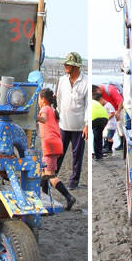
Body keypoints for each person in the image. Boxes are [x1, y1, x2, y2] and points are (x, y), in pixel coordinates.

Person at [37, 88, 76, 210]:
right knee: (43, 172)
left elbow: (43, 119)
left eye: (38, 98)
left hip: (50, 145)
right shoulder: (52, 110)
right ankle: (46, 199)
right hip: (55, 144)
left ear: (43, 99)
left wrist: (33, 115)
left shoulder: (45, 109)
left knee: (50, 175)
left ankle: (69, 197)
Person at [56, 52, 88, 189]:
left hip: (79, 126)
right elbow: (58, 99)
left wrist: (87, 125)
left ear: (75, 67)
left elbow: (88, 106)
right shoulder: (62, 80)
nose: (65, 66)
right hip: (63, 124)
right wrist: (57, 115)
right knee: (59, 152)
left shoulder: (85, 81)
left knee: (77, 156)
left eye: (67, 64)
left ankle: (74, 182)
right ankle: (53, 176)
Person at [93, 83, 124, 150]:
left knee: (119, 127)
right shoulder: (99, 95)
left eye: (95, 94)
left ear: (98, 89)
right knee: (107, 131)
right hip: (109, 112)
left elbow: (120, 101)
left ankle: (122, 144)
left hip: (118, 109)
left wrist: (118, 112)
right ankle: (106, 146)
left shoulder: (110, 90)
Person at [91, 92, 109, 160]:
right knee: (98, 136)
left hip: (94, 118)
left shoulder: (90, 102)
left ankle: (95, 153)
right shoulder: (96, 103)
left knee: (95, 137)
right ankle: (99, 155)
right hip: (105, 118)